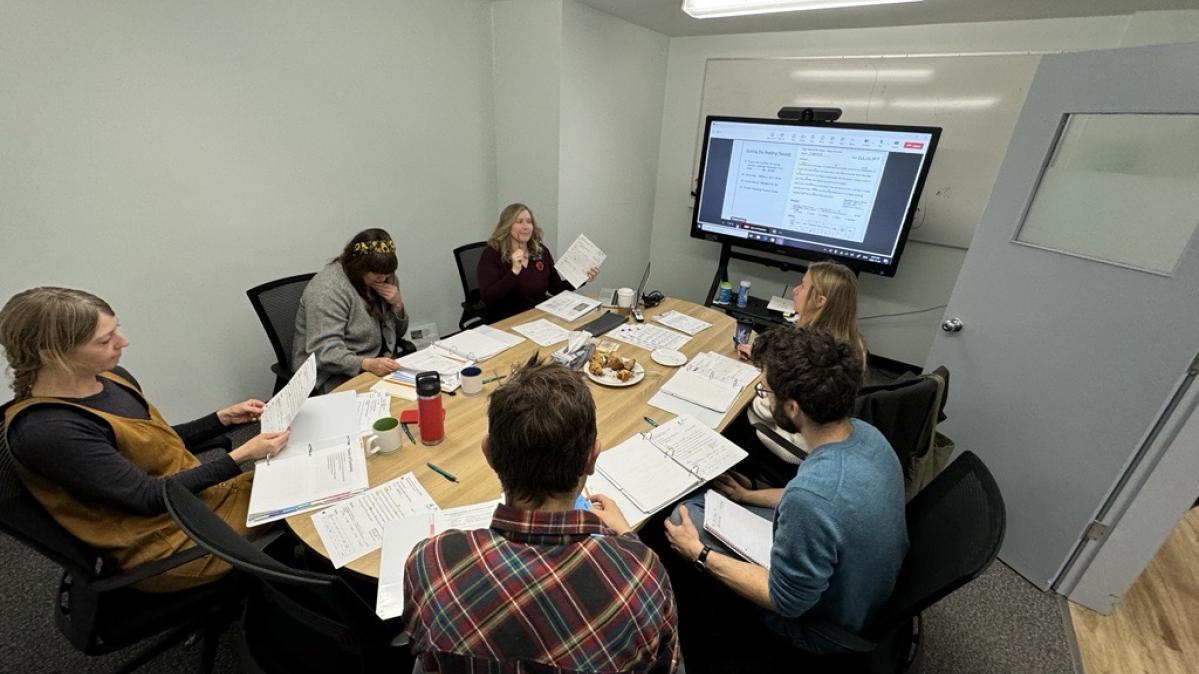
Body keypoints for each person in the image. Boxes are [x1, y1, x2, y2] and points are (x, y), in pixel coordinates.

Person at [0, 287, 289, 592]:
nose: (123, 343)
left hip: (196, 500)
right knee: (313, 499)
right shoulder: (49, 431)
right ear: (53, 354)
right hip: (171, 541)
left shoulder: (108, 377)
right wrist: (239, 456)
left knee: (308, 475)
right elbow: (147, 498)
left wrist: (221, 419)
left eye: (116, 331)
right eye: (105, 340)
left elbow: (149, 446)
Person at [403, 356, 678, 673]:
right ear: (592, 458)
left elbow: (423, 652)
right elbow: (667, 664)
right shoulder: (642, 575)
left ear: (489, 454)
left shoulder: (431, 561)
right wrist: (627, 539)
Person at [661, 327, 907, 663]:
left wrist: (698, 553)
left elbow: (787, 600)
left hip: (821, 628)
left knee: (682, 516)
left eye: (766, 391)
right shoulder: (867, 435)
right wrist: (748, 497)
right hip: (862, 584)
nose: (765, 396)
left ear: (792, 408)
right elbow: (823, 499)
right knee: (716, 501)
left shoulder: (811, 498)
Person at [741, 261, 867, 462]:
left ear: (819, 301)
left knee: (736, 411)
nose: (795, 290)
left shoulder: (809, 351)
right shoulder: (851, 342)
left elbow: (766, 410)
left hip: (793, 443)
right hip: (827, 437)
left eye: (803, 286)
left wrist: (763, 377)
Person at [292, 228, 410, 394]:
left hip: (380, 365)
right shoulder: (328, 289)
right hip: (335, 374)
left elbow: (398, 334)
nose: (383, 279)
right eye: (377, 275)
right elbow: (325, 352)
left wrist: (397, 305)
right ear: (359, 267)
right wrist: (366, 364)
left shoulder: (386, 279)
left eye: (388, 274)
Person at [476, 203, 599, 323]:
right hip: (506, 321)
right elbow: (489, 298)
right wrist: (514, 272)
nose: (526, 226)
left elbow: (556, 288)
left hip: (537, 318)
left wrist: (582, 277)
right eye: (519, 222)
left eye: (529, 222)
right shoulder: (491, 254)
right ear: (507, 226)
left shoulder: (540, 252)